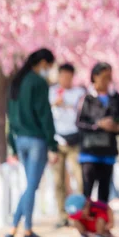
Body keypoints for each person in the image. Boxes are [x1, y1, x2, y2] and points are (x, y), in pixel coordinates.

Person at [6, 48, 60, 237]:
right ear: (44, 63)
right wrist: (53, 144)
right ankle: (24, 228)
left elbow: (10, 116)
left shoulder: (16, 81)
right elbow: (45, 115)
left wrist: (11, 143)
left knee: (30, 185)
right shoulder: (38, 82)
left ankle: (16, 228)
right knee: (31, 186)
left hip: (20, 139)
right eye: (50, 66)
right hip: (37, 140)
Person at [76, 62, 119, 204]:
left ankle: (101, 222)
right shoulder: (86, 98)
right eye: (104, 77)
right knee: (86, 190)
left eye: (109, 77)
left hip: (108, 150)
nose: (107, 80)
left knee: (104, 192)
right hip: (89, 151)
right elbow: (79, 123)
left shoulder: (115, 98)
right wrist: (98, 125)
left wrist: (116, 127)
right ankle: (85, 222)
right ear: (95, 77)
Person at [49, 63, 86, 228]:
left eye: (68, 76)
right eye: (62, 75)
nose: (65, 79)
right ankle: (62, 215)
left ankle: (81, 213)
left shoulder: (79, 93)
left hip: (75, 141)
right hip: (57, 141)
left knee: (80, 178)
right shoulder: (51, 92)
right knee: (58, 181)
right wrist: (55, 104)